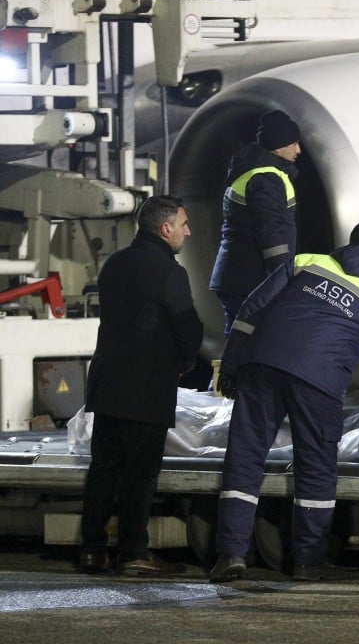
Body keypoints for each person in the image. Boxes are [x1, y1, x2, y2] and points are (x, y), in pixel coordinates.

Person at [208, 220, 359, 583]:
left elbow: (250, 309)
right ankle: (307, 561)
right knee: (316, 466)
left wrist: (232, 366)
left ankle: (230, 554)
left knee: (246, 456)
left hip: (262, 364)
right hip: (319, 380)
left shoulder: (307, 261)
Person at [78, 195, 203, 576]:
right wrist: (183, 363)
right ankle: (133, 550)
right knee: (139, 474)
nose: (188, 230)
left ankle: (92, 550)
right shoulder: (169, 272)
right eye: (183, 223)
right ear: (165, 229)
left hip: (107, 383)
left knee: (103, 469)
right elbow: (189, 329)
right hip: (147, 388)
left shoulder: (113, 264)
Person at [209, 109, 302, 336]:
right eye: (294, 143)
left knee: (240, 339)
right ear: (279, 146)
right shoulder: (267, 178)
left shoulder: (249, 172)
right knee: (254, 343)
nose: (298, 150)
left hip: (237, 275)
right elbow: (272, 233)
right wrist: (282, 277)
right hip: (251, 279)